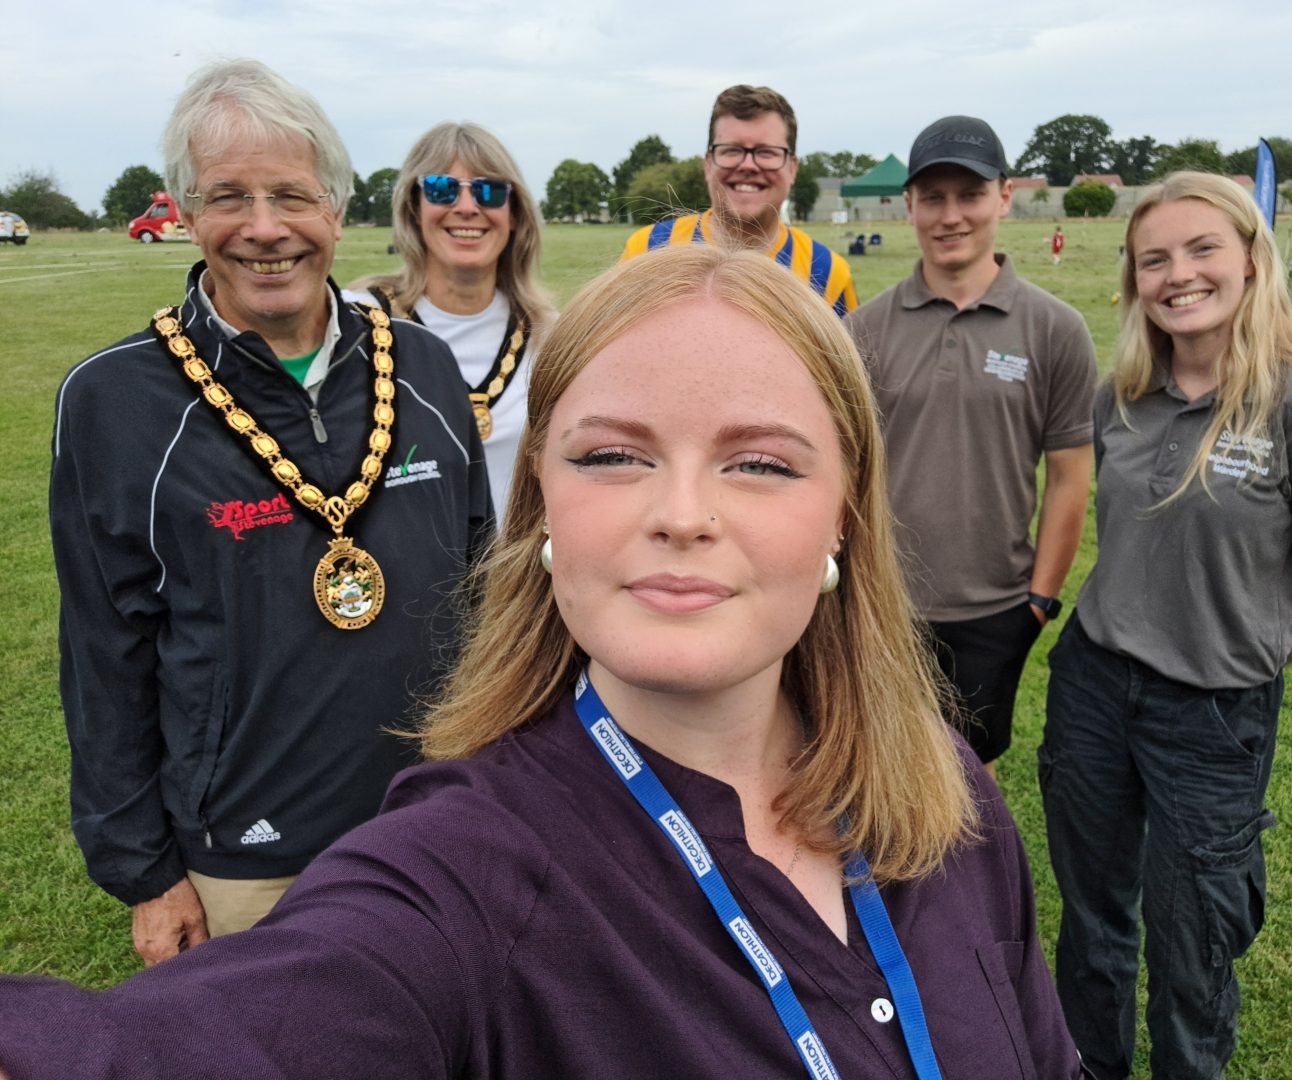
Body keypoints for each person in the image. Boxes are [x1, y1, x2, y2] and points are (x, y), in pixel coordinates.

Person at [0, 245, 1087, 1080]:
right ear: (543, 507)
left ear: (844, 515)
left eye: (760, 462)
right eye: (613, 455)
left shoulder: (949, 793)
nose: (682, 515)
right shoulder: (459, 876)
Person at [46, 60, 491, 967]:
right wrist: (145, 871)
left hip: (445, 821)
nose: (263, 229)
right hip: (247, 866)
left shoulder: (427, 367)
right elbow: (104, 650)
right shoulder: (113, 401)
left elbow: (487, 589)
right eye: (227, 198)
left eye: (291, 195)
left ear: (335, 207)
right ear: (183, 211)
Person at [1040, 172, 1292, 1079]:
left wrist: (1234, 655)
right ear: (1134, 281)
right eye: (1155, 259)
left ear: (1251, 259)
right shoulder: (1124, 396)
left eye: (1201, 250)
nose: (1178, 274)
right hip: (1094, 686)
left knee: (1195, 944)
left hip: (1214, 716)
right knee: (1094, 915)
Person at [847, 115, 1096, 775]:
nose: (950, 215)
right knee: (878, 772)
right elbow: (838, 473)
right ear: (908, 207)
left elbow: (1071, 476)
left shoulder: (1056, 330)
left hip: (995, 608)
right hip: (882, 602)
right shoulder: (861, 331)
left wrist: (1038, 602)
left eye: (970, 195)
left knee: (968, 780)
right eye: (933, 198)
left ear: (1004, 198)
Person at [346, 122, 553, 525]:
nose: (466, 207)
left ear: (514, 215)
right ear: (414, 208)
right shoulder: (358, 320)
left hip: (515, 582)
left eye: (488, 191)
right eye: (442, 189)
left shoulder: (550, 335)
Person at [620, 84, 858, 316]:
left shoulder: (827, 273)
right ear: (708, 164)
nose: (747, 165)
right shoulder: (647, 251)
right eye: (731, 150)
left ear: (792, 168)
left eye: (766, 152)